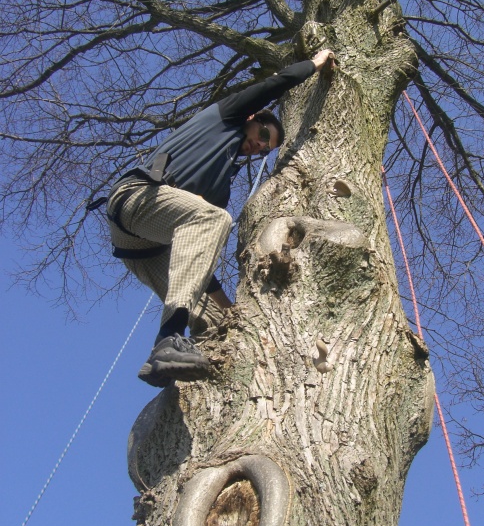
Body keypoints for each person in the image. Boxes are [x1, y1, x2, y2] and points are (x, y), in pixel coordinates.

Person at [107, 48, 334, 387]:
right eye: (261, 137)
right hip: (137, 197)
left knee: (215, 323)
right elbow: (278, 83)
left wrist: (227, 306)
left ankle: (186, 378)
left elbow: (197, 256)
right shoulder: (225, 117)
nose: (258, 148)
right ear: (251, 119)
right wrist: (315, 64)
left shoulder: (218, 191)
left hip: (145, 248)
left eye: (264, 150)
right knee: (216, 220)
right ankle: (167, 340)